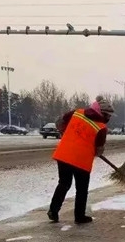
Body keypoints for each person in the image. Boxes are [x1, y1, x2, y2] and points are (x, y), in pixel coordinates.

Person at [47, 96, 115, 224]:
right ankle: (79, 216)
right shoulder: (101, 128)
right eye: (108, 116)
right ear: (102, 113)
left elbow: (59, 122)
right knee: (81, 189)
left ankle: (53, 210)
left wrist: (64, 131)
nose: (108, 119)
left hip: (64, 154)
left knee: (64, 183)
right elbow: (99, 150)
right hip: (81, 161)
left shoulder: (77, 113)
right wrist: (96, 150)